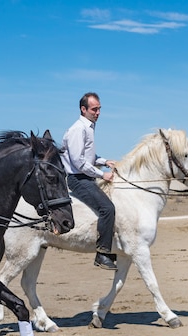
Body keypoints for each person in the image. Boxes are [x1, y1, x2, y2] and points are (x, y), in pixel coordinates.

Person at [61, 92, 118, 270]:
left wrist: (104, 161)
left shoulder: (89, 127)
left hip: (85, 176)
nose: (98, 112)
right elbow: (78, 162)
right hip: (78, 179)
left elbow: (88, 156)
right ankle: (102, 254)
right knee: (107, 208)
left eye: (99, 109)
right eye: (94, 109)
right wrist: (102, 175)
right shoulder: (78, 129)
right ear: (83, 109)